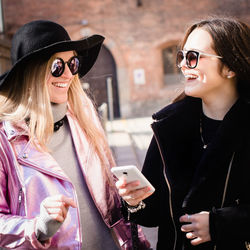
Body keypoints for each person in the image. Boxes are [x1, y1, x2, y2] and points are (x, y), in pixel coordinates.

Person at [0, 20, 150, 249]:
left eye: (74, 63)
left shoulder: (84, 118)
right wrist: (37, 228)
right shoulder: (5, 141)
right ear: (31, 73)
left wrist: (128, 200)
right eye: (57, 66)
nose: (69, 74)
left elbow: (107, 199)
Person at [116, 17, 250, 249]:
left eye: (193, 57)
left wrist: (222, 224)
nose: (182, 65)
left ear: (230, 67)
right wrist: (134, 200)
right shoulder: (168, 126)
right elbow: (153, 216)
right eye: (181, 57)